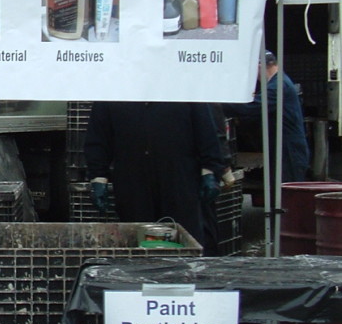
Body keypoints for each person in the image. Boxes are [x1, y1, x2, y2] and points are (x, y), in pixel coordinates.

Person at [84, 101, 226, 251]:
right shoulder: (115, 90)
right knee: (140, 236)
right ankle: (148, 268)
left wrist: (210, 169)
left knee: (182, 235)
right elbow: (98, 136)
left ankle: (181, 270)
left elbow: (206, 129)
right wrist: (98, 177)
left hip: (179, 177)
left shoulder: (185, 87)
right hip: (133, 179)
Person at [224, 51, 310, 192]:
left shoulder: (278, 86)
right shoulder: (279, 82)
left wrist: (218, 104)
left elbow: (251, 108)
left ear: (260, 66)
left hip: (289, 152)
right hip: (283, 149)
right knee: (279, 193)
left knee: (286, 195)